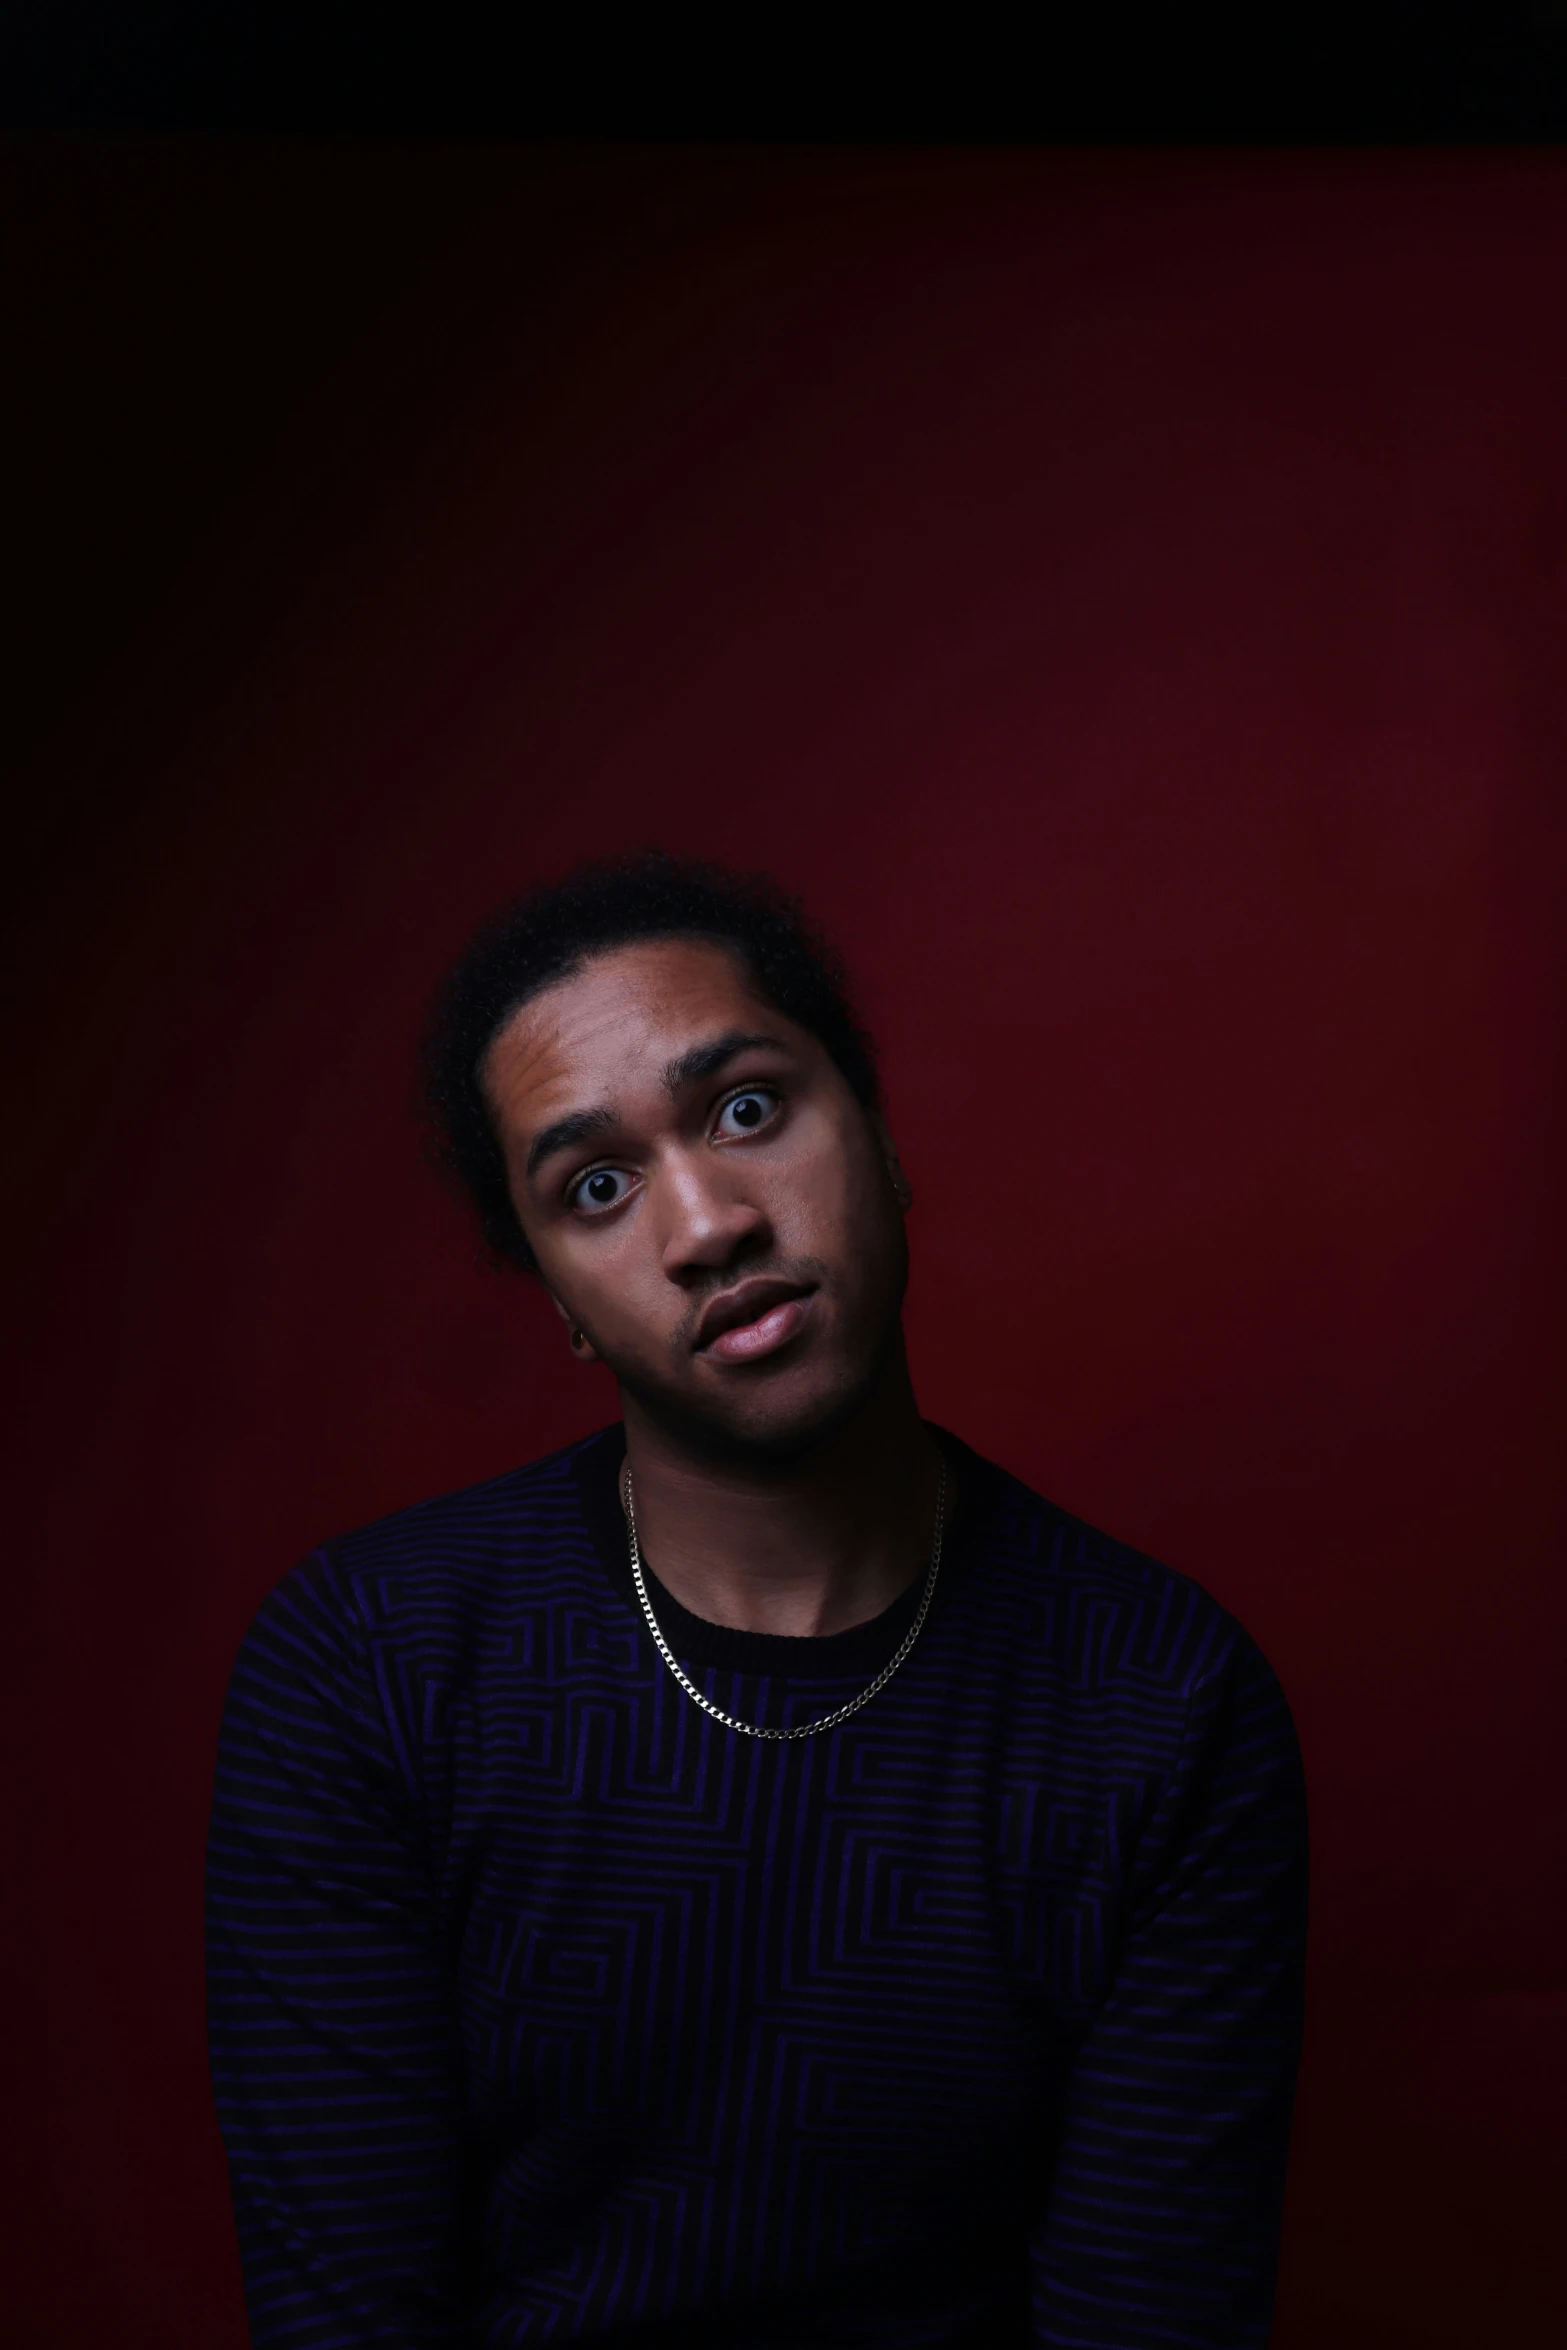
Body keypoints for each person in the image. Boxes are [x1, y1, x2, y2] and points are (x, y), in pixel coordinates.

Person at [206, 851, 1307, 2348]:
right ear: (556, 1299)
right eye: (596, 1185)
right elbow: (350, 2318)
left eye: (745, 1108)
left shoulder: (1159, 1695)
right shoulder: (368, 1663)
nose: (707, 1221)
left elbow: (1145, 2320)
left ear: (880, 1132)